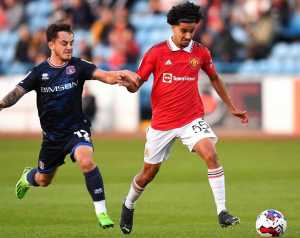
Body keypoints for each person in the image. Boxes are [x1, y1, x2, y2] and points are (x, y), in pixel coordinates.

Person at [119, 2, 249, 234]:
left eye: (192, 31)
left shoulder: (201, 52)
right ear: (172, 27)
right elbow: (137, 83)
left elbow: (215, 78)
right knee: (148, 174)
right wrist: (128, 84)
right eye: (183, 31)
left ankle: (222, 212)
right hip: (162, 124)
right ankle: (128, 204)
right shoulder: (156, 52)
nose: (188, 36)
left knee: (210, 153)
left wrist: (231, 107)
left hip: (191, 120)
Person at [0, 23, 138, 229]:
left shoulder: (78, 66)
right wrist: (1, 105)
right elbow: (16, 93)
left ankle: (102, 212)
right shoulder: (39, 72)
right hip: (52, 138)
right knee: (43, 180)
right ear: (51, 45)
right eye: (64, 43)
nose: (69, 47)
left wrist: (121, 74)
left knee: (86, 160)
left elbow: (105, 75)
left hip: (77, 128)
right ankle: (28, 178)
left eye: (71, 43)